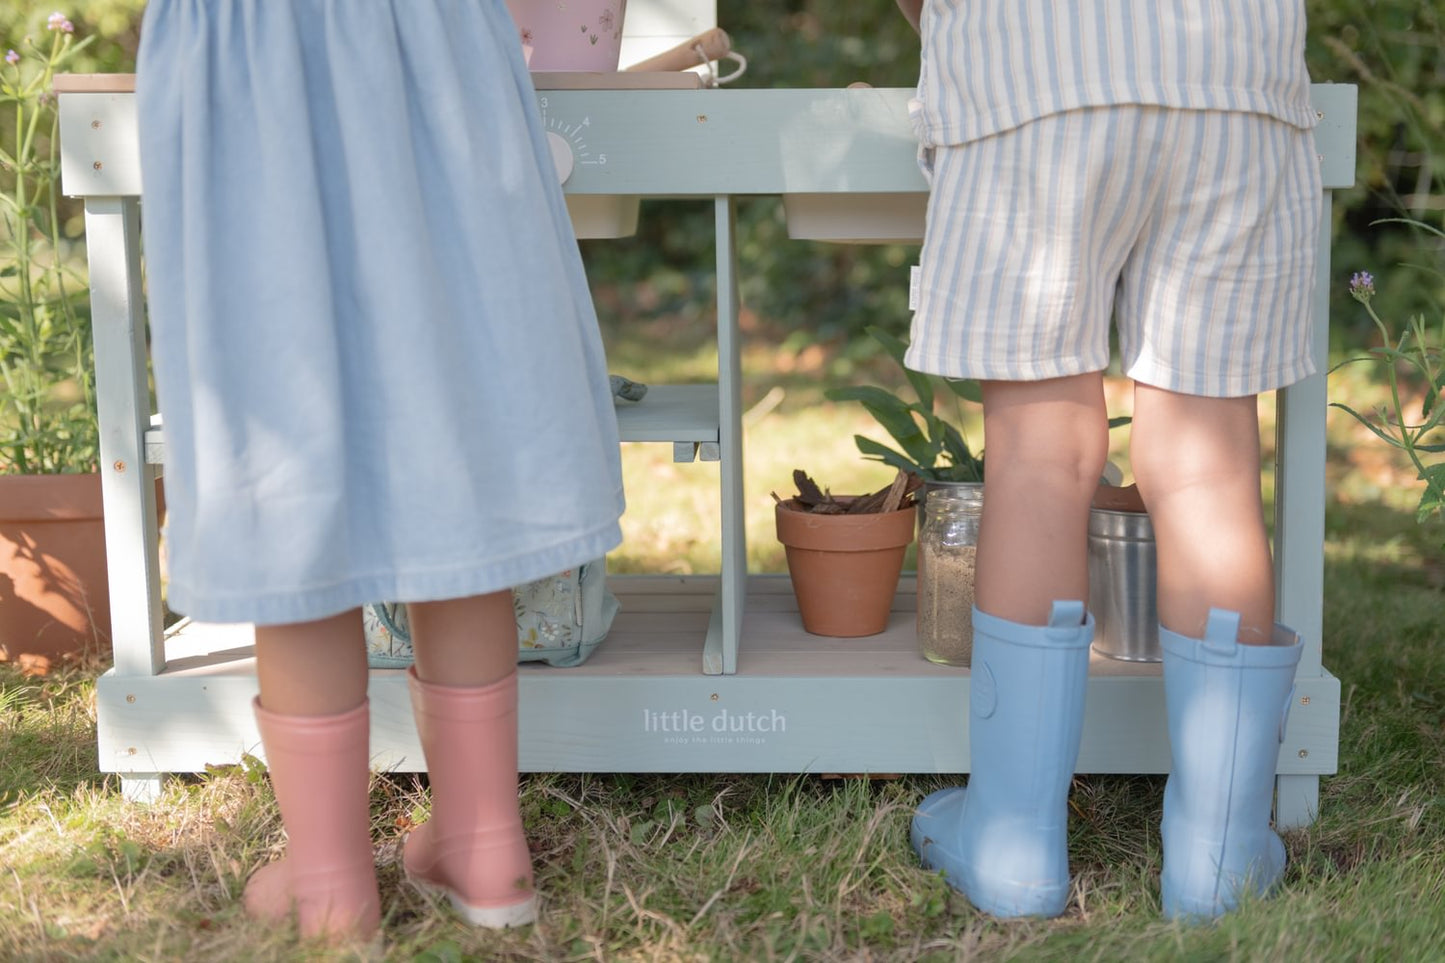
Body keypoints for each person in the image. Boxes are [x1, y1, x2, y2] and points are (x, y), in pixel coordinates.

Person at [136, 0, 625, 942]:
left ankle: (330, 883)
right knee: (457, 443)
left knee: (289, 461)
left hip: (250, 52)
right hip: (435, 43)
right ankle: (487, 847)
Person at [893, 0, 1320, 921]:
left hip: (1030, 72)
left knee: (1037, 457)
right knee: (1207, 464)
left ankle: (1011, 840)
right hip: (1230, 75)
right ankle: (1220, 857)